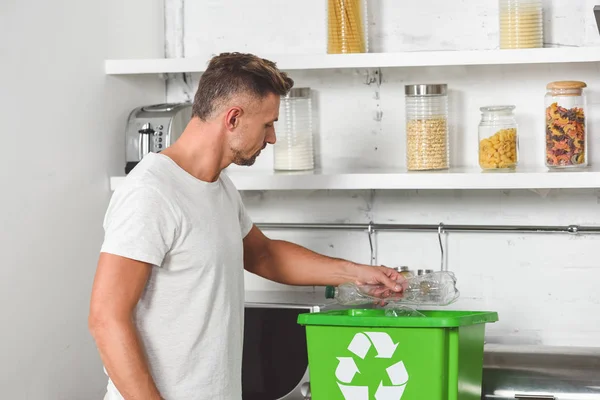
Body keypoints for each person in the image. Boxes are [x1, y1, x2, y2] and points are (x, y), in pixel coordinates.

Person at [88, 52, 406, 400]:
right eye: (268, 124)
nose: (272, 138)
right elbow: (107, 318)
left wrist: (356, 273)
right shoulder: (151, 192)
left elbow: (264, 255)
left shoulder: (217, 186)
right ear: (234, 118)